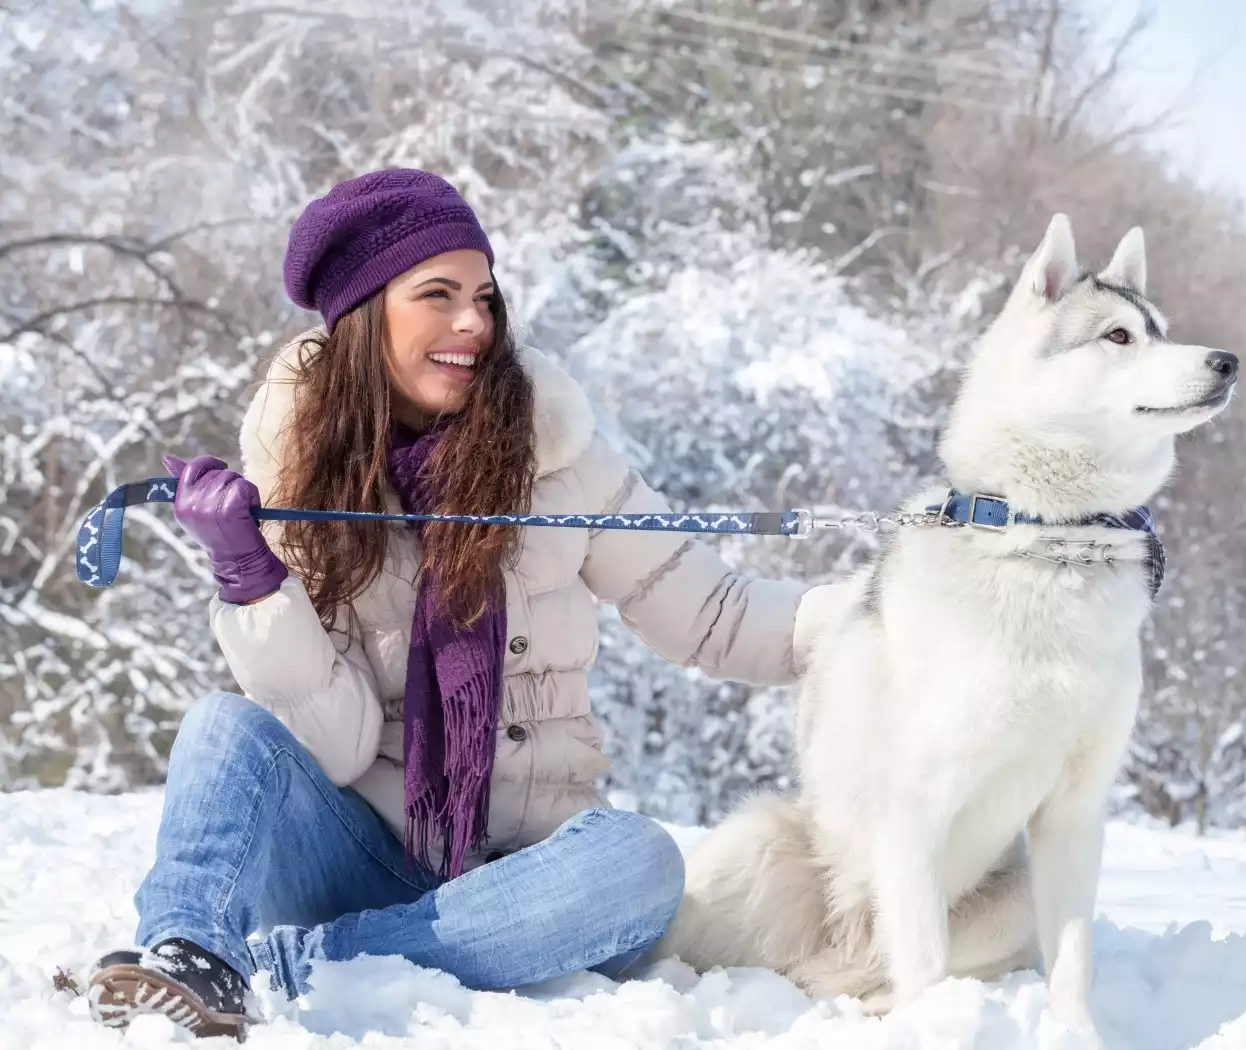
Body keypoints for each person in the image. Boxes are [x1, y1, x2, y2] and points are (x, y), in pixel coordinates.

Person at [85, 169, 837, 1039]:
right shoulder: (299, 477)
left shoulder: (557, 455)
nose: (473, 324)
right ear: (365, 317)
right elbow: (336, 745)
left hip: (523, 878)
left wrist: (873, 614)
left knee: (640, 861)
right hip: (360, 847)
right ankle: (186, 955)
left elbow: (715, 614)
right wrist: (254, 584)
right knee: (223, 728)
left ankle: (300, 963)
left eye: (483, 296)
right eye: (436, 295)